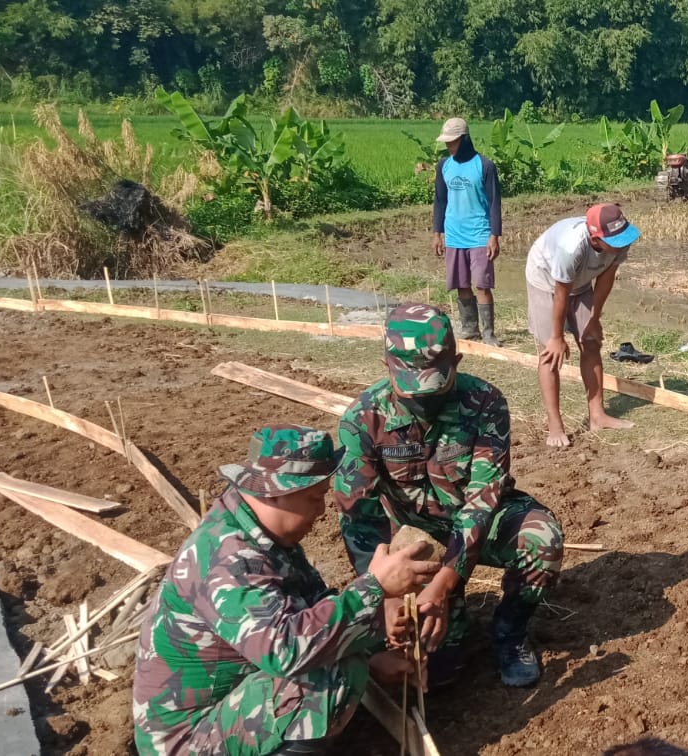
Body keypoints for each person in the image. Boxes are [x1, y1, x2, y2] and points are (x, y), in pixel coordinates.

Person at [133, 424, 441, 756]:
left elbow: (311, 609)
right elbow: (285, 651)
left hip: (225, 704)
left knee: (338, 655)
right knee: (331, 676)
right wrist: (375, 588)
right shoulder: (230, 559)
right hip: (186, 741)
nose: (320, 510)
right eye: (313, 498)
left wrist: (371, 653)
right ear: (276, 491)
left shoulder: (258, 532)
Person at [331, 303, 566, 689]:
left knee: (542, 539)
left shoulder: (485, 402)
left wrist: (446, 581)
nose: (422, 401)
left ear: (455, 360)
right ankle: (449, 624)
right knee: (438, 670)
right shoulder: (363, 419)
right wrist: (385, 594)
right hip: (410, 540)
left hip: (474, 525)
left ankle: (509, 634)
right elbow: (359, 518)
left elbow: (482, 500)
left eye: (434, 386)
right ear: (386, 365)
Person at [524, 203, 641, 447]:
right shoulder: (570, 248)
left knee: (591, 342)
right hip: (546, 280)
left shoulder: (620, 242)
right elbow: (561, 294)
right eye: (615, 240)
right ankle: (555, 425)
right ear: (596, 237)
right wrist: (557, 337)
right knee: (550, 354)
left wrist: (594, 318)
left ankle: (597, 416)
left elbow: (606, 279)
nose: (621, 243)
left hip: (581, 282)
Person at [432, 117, 503, 345]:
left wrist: (494, 235)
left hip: (479, 234)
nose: (448, 146)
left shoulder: (484, 166)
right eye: (446, 142)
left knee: (482, 284)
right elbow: (440, 201)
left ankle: (489, 333)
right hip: (454, 234)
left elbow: (494, 203)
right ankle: (470, 329)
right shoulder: (444, 166)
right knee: (462, 284)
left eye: (452, 141)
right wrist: (437, 232)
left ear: (464, 139)